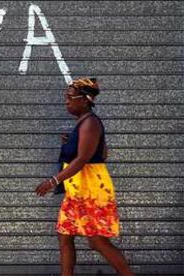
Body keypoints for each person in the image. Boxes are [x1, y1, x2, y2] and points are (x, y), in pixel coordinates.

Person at [35, 78, 134, 276]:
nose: (67, 101)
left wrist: (53, 181)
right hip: (77, 191)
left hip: (91, 191)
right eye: (66, 97)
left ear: (85, 100)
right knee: (65, 235)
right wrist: (72, 141)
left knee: (97, 241)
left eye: (70, 97)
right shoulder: (83, 123)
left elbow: (81, 160)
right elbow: (103, 153)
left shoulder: (90, 123)